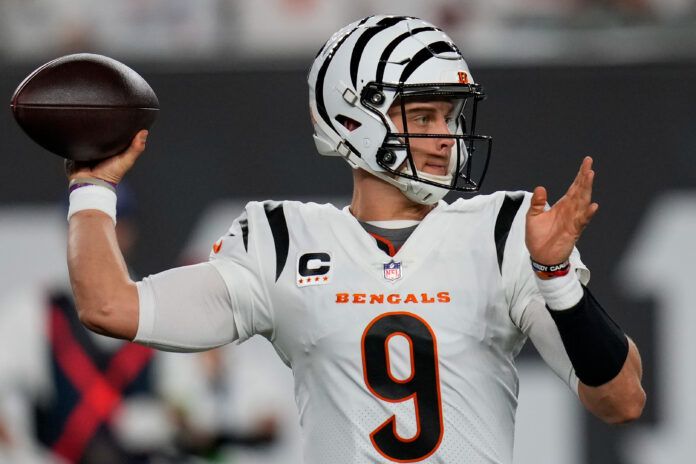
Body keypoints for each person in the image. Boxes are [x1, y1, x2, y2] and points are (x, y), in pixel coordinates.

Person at [63, 15, 645, 464]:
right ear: (352, 120)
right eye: (423, 118)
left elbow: (621, 401)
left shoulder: (506, 232)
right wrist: (92, 188)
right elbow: (110, 306)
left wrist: (557, 277)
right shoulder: (282, 240)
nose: (446, 138)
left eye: (449, 118)